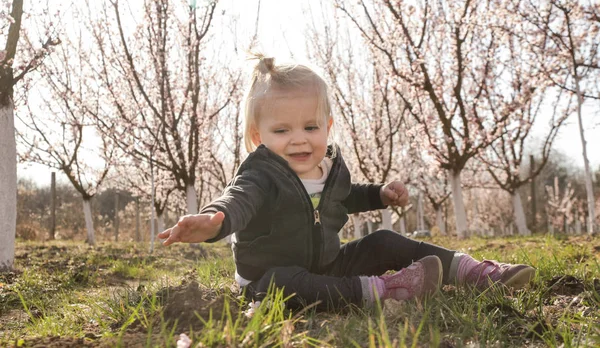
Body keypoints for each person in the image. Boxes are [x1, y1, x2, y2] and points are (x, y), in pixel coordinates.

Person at [158, 54, 535, 310]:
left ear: (328, 127)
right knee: (282, 281)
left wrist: (380, 196)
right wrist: (213, 221)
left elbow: (343, 198)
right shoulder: (261, 175)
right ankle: (385, 291)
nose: (299, 139)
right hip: (268, 282)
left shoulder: (332, 168)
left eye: (310, 126)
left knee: (384, 240)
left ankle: (470, 271)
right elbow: (238, 200)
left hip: (330, 264)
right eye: (282, 130)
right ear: (259, 136)